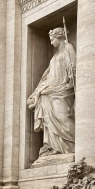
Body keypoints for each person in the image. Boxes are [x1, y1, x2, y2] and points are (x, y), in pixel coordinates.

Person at [27, 26, 76, 159]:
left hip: (63, 89)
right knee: (49, 117)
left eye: (52, 39)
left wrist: (71, 82)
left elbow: (74, 67)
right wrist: (39, 90)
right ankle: (54, 146)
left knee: (63, 117)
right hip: (51, 89)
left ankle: (73, 144)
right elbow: (47, 74)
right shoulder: (55, 55)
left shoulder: (69, 48)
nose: (51, 42)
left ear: (59, 37)